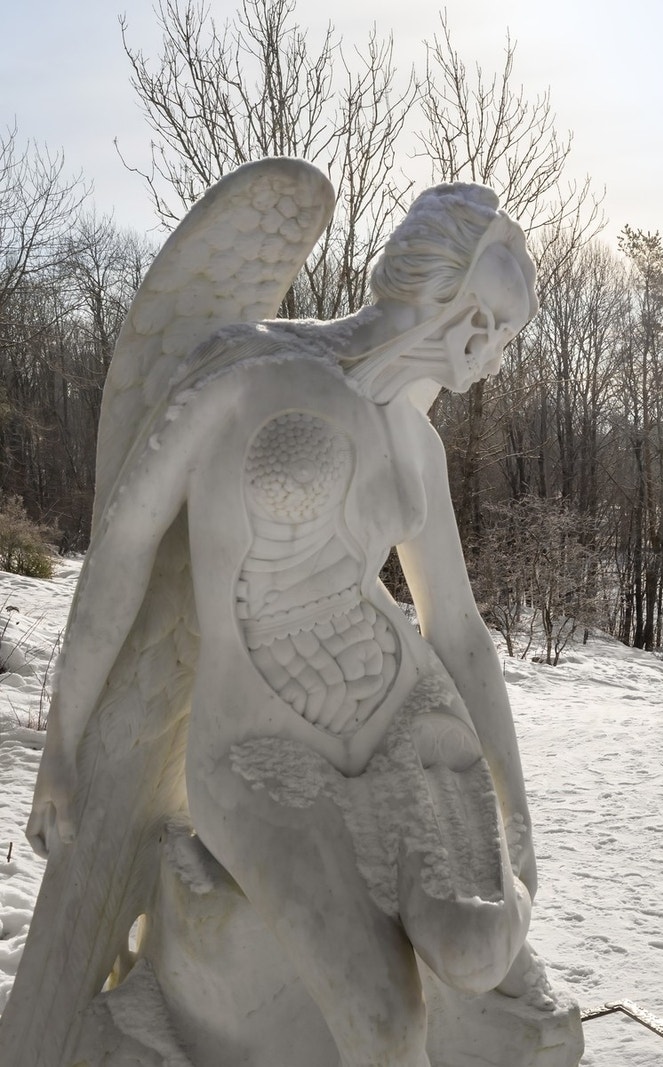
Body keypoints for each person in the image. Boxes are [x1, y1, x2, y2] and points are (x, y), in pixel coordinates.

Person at [20, 169, 541, 1066]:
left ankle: (503, 921)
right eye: (491, 329)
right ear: (451, 303)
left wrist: (517, 810)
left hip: (406, 716)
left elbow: (456, 631)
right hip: (260, 748)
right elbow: (123, 547)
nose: (495, 357)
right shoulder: (245, 367)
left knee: (476, 949)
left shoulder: (416, 441)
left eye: (507, 337)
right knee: (385, 1025)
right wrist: (62, 743)